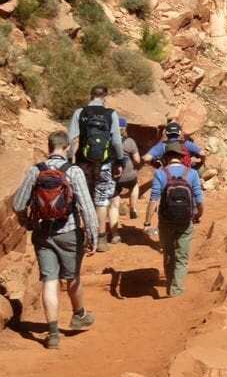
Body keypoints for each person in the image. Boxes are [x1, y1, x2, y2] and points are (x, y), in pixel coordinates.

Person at [11, 131, 98, 349]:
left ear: (48, 146)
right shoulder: (74, 171)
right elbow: (86, 207)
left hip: (43, 233)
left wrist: (27, 223)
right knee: (73, 277)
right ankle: (79, 315)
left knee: (49, 281)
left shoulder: (35, 170)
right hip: (69, 232)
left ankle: (52, 334)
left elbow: (18, 204)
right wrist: (92, 235)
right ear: (67, 147)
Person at [66, 86, 134, 254]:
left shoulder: (79, 113)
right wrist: (119, 161)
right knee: (102, 200)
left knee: (84, 198)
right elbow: (117, 142)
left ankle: (87, 238)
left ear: (90, 96)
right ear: (105, 97)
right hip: (105, 163)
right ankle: (102, 238)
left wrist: (70, 160)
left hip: (83, 163)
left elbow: (72, 140)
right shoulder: (111, 114)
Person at [144, 148, 204, 298]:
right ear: (181, 158)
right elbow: (199, 200)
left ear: (166, 158)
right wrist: (198, 215)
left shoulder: (160, 173)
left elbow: (154, 199)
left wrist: (147, 221)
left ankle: (170, 285)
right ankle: (176, 291)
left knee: (169, 254)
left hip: (166, 221)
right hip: (185, 221)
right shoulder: (192, 173)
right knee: (182, 256)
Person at [109, 118, 140, 244]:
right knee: (135, 185)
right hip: (128, 175)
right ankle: (133, 208)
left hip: (113, 176)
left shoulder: (108, 141)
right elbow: (137, 160)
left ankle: (115, 234)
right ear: (125, 128)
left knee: (114, 206)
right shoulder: (130, 141)